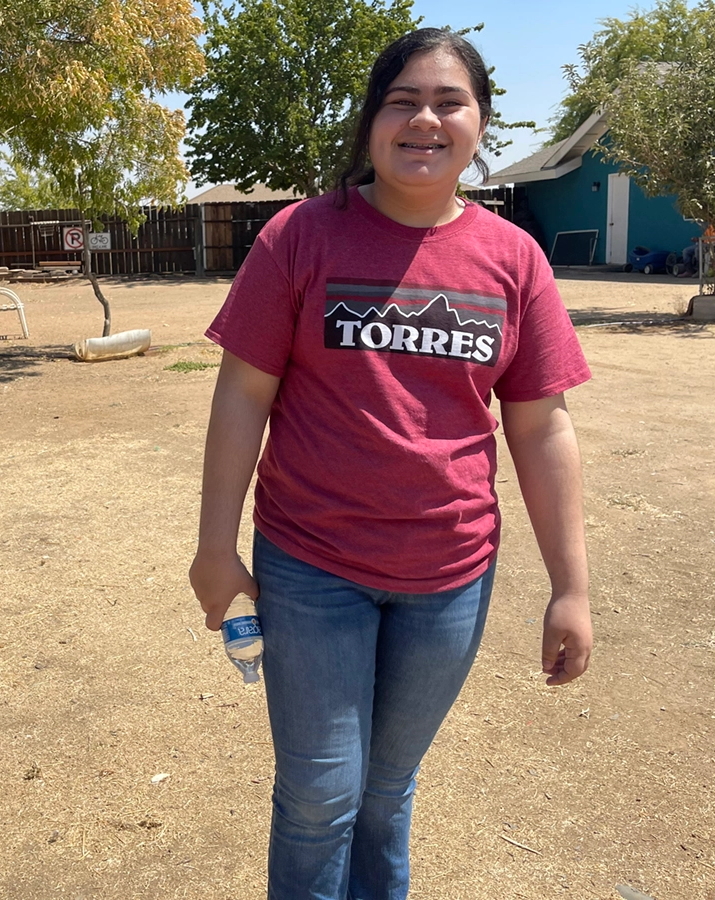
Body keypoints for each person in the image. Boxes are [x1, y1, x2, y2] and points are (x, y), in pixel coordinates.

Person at [189, 28, 593, 900]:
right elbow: (240, 397)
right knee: (319, 797)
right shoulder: (299, 237)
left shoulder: (513, 259)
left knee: (385, 792)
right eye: (402, 100)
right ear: (371, 120)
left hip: (449, 579)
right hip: (311, 569)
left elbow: (542, 428)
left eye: (450, 102)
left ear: (480, 122)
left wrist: (572, 586)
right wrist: (215, 548)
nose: (425, 120)